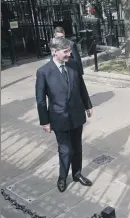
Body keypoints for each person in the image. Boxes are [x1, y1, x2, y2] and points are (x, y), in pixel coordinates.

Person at [35, 37, 93, 192]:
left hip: (76, 114)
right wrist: (45, 122)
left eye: (69, 51)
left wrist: (88, 106)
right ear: (54, 52)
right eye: (65, 51)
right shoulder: (44, 72)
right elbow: (40, 100)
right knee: (65, 149)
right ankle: (62, 177)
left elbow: (81, 87)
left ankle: (77, 174)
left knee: (77, 147)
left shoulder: (73, 65)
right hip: (58, 117)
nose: (69, 54)